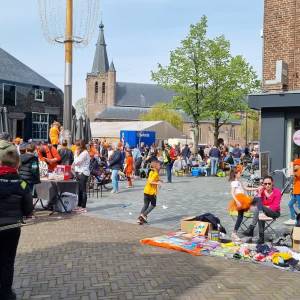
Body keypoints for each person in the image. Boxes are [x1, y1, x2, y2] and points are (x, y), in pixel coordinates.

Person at [0, 140, 33, 300]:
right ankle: (6, 293)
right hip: (12, 227)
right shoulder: (22, 183)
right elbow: (28, 209)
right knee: (8, 261)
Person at [244, 175, 281, 244]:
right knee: (260, 213)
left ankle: (252, 228)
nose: (267, 185)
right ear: (263, 184)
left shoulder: (277, 192)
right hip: (262, 212)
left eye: (269, 183)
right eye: (265, 184)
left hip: (274, 212)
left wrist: (264, 207)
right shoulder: (262, 191)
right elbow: (253, 202)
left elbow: (275, 206)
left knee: (259, 208)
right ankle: (261, 238)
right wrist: (259, 194)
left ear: (272, 183)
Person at [228, 167, 257, 241]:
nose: (240, 174)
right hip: (240, 200)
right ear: (235, 174)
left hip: (243, 199)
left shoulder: (239, 181)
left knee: (241, 216)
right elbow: (232, 192)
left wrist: (256, 188)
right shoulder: (234, 182)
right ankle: (234, 233)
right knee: (240, 217)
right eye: (239, 173)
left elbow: (245, 188)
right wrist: (237, 201)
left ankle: (235, 232)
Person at [137, 160, 162, 224]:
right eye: (159, 165)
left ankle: (140, 219)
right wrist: (158, 183)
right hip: (151, 192)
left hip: (146, 191)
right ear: (156, 166)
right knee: (153, 205)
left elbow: (151, 179)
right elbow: (151, 181)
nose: (160, 166)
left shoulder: (151, 171)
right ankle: (143, 215)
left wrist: (159, 180)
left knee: (146, 205)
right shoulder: (155, 173)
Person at [72, 140, 90, 213]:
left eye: (77, 145)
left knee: (83, 190)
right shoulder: (79, 152)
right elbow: (75, 162)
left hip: (83, 173)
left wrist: (75, 154)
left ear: (81, 146)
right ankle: (79, 205)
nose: (76, 147)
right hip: (78, 172)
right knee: (79, 190)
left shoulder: (85, 153)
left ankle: (83, 207)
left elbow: (77, 162)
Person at [285, 159, 300, 225]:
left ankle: (297, 220)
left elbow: (297, 175)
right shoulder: (295, 170)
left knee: (299, 207)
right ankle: (293, 218)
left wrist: (292, 170)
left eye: (295, 164)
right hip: (295, 192)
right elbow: (293, 178)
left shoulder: (298, 170)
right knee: (290, 204)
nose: (294, 165)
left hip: (299, 193)